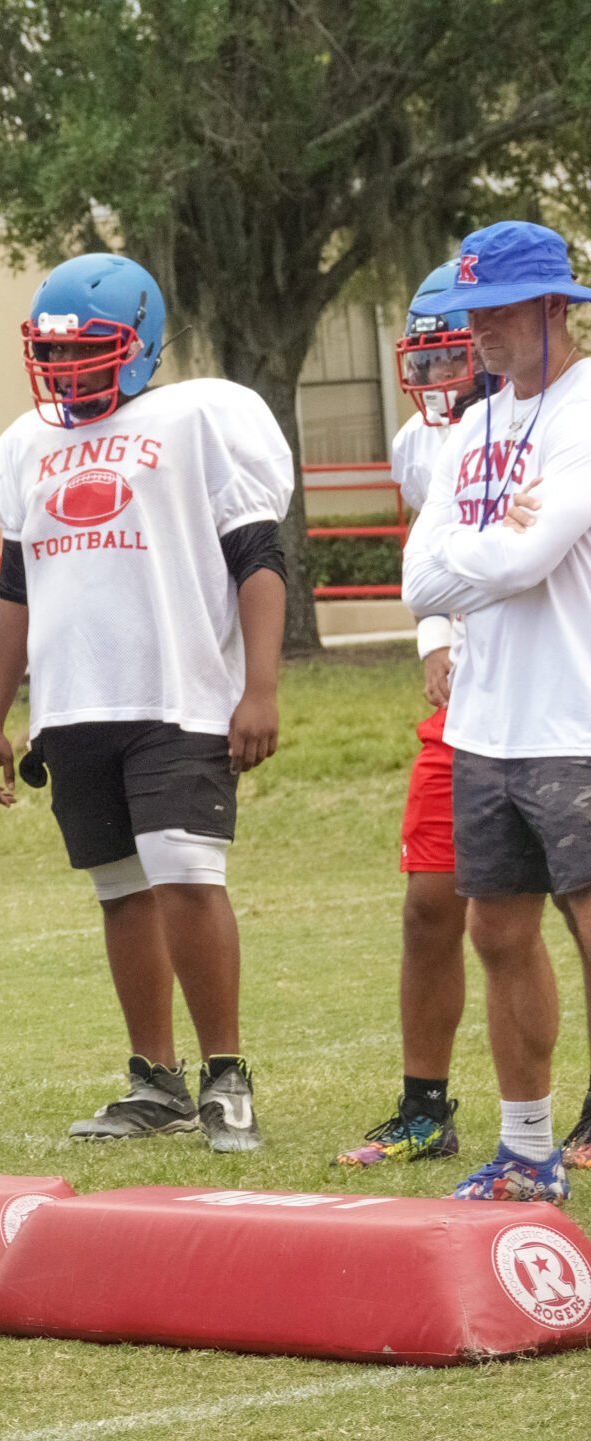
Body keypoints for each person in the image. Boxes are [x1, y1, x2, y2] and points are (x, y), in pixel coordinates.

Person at [0, 253, 291, 1152]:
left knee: (187, 875)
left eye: (90, 351)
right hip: (74, 703)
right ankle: (156, 1079)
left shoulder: (195, 419)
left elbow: (259, 559)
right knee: (121, 890)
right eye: (53, 352)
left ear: (142, 344)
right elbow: (12, 590)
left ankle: (226, 1074)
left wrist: (259, 686)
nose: (67, 370)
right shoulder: (24, 446)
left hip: (177, 692)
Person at [401, 220, 591, 1204]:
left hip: (578, 722)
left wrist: (475, 551)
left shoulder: (583, 407)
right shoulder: (469, 427)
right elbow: (415, 575)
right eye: (471, 311)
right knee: (496, 935)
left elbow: (524, 556)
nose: (479, 329)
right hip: (484, 725)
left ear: (555, 307)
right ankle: (528, 1153)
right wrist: (489, 544)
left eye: (501, 308)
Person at [337, 263, 506, 1169]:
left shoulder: (561, 425)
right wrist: (433, 637)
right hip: (466, 698)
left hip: (558, 697)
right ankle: (423, 1109)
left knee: (569, 908)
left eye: (457, 357)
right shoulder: (422, 442)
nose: (441, 379)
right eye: (429, 359)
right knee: (429, 901)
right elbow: (432, 562)